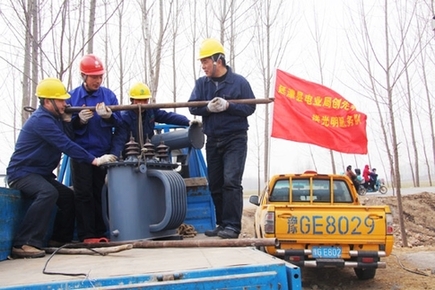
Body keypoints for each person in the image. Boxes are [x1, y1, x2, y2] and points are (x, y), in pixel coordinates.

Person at [6, 78, 116, 259]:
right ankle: (24, 243)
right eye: (62, 101)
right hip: (22, 173)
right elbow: (66, 144)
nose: (66, 104)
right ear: (48, 102)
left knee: (67, 196)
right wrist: (94, 160)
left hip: (41, 174)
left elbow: (69, 136)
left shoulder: (55, 119)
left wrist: (70, 122)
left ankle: (59, 240)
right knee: (48, 193)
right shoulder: (42, 120)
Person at [188, 38, 256, 239]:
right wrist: (206, 108)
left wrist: (229, 106)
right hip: (213, 139)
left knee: (231, 181)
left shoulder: (239, 82)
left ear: (218, 60)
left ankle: (233, 226)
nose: (203, 66)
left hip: (235, 139)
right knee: (216, 184)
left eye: (206, 61)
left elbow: (251, 106)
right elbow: (192, 105)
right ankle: (222, 223)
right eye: (201, 62)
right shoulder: (202, 84)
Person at [67, 54, 123, 243]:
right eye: (94, 77)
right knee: (83, 194)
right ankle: (87, 235)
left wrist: (109, 117)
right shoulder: (72, 97)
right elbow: (66, 130)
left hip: (103, 153)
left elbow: (121, 123)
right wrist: (79, 121)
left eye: (100, 76)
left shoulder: (109, 96)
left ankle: (102, 233)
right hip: (82, 154)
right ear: (84, 76)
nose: (98, 80)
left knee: (102, 193)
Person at [115, 82, 199, 152]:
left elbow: (167, 116)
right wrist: (115, 157)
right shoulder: (125, 118)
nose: (143, 104)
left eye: (145, 100)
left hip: (148, 151)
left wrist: (187, 121)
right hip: (129, 153)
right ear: (132, 100)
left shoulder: (151, 111)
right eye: (139, 100)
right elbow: (119, 140)